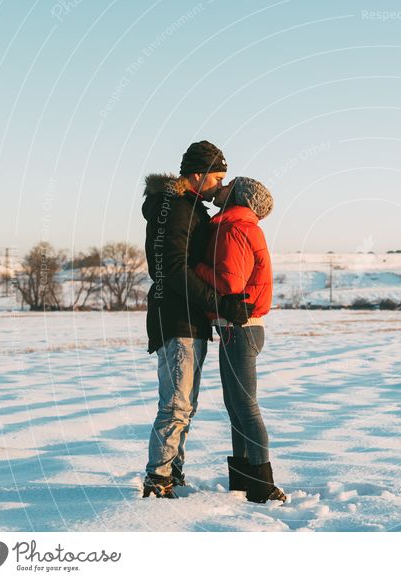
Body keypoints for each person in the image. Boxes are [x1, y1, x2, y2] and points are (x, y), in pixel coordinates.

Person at [140, 141, 252, 499]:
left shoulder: (186, 207)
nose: (220, 185)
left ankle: (173, 473)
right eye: (217, 177)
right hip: (178, 318)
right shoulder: (175, 209)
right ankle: (158, 480)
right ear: (198, 174)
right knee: (176, 405)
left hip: (188, 318)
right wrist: (219, 302)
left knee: (185, 404)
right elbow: (173, 270)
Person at [195, 177, 286, 503]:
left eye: (227, 185)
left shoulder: (234, 229)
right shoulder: (238, 226)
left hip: (240, 328)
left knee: (245, 408)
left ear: (238, 196)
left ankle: (263, 484)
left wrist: (195, 269)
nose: (220, 188)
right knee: (236, 407)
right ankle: (245, 481)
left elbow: (229, 283)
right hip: (240, 328)